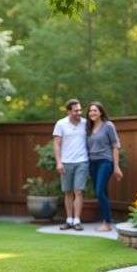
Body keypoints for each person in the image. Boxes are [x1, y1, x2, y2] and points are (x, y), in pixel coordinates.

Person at [85, 101, 123, 231]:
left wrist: (116, 166)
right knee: (103, 192)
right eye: (90, 111)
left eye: (95, 110)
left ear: (101, 112)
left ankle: (106, 223)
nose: (92, 113)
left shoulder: (108, 126)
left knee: (99, 191)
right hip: (92, 163)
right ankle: (106, 220)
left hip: (105, 162)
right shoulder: (88, 128)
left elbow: (115, 145)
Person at [53, 99, 88, 231]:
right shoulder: (60, 124)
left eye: (80, 110)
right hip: (66, 162)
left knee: (78, 191)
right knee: (67, 192)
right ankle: (69, 220)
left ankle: (77, 221)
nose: (79, 112)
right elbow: (56, 144)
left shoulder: (85, 123)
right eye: (76, 110)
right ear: (69, 111)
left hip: (82, 161)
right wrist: (58, 162)